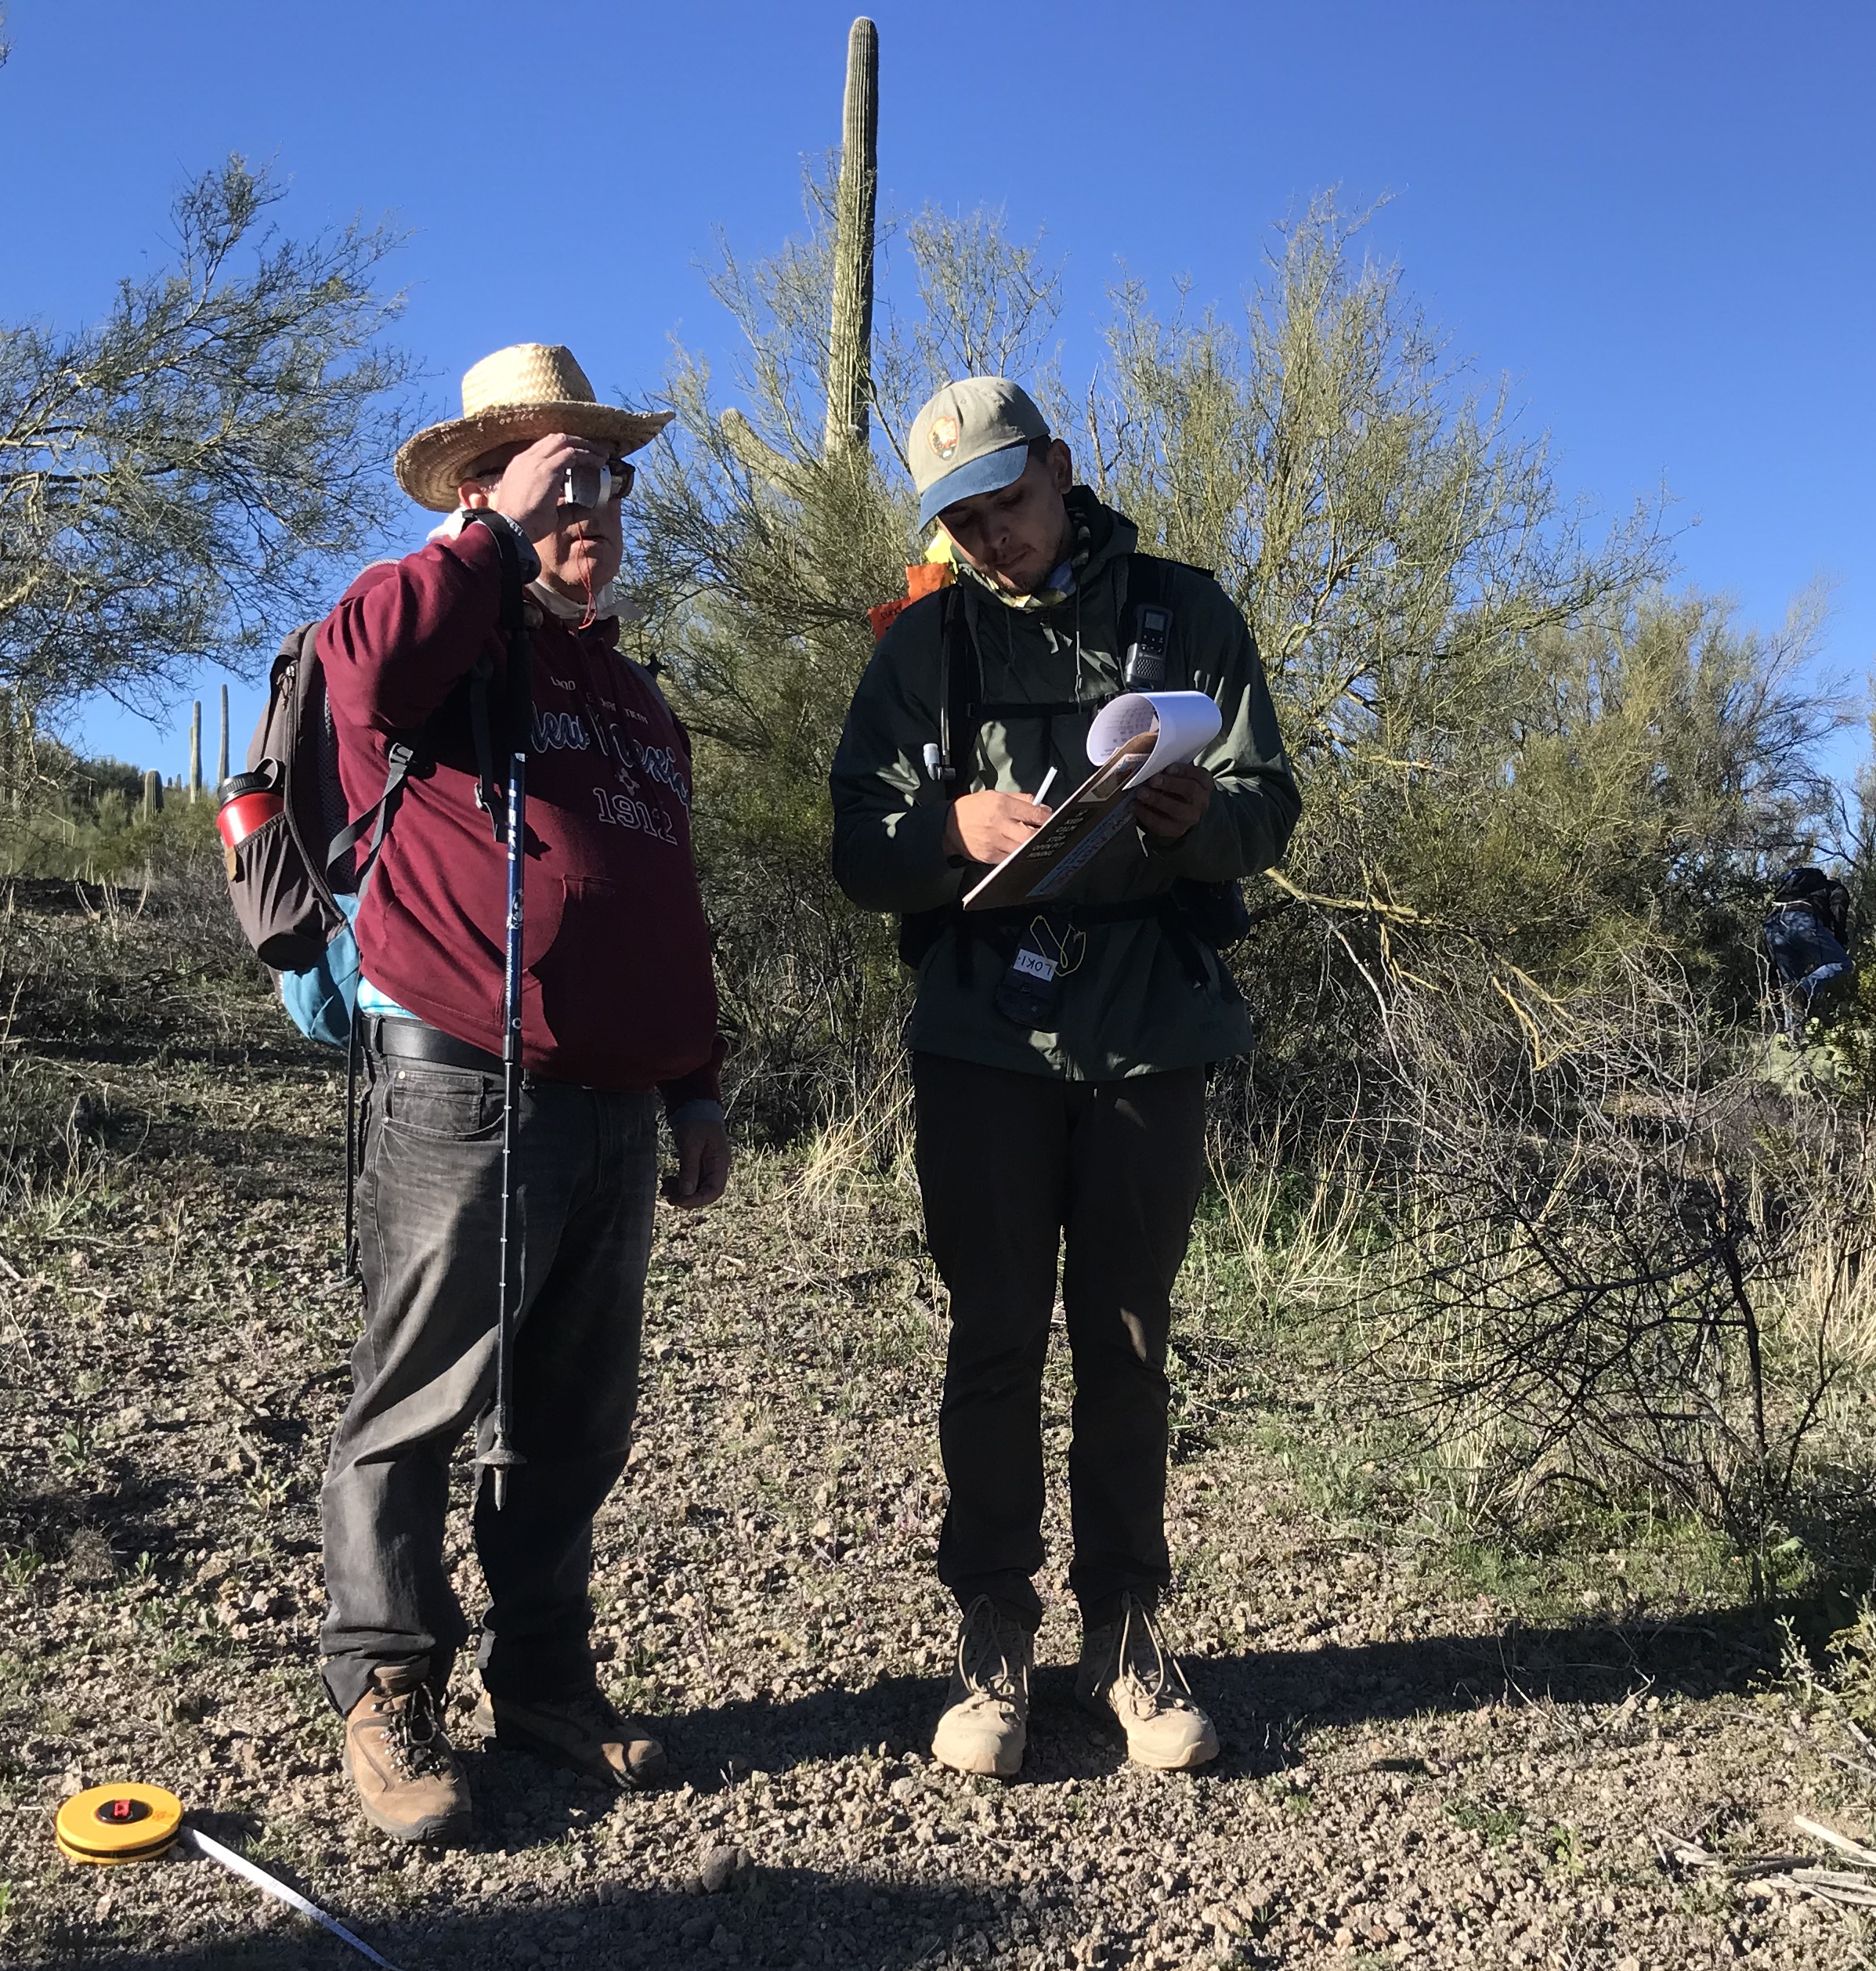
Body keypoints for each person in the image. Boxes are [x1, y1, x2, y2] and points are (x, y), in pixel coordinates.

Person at [828, 378, 1299, 1779]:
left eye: (1006, 504)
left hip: (1152, 1030)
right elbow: (857, 847)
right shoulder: (920, 649)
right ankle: (993, 1632)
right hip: (983, 1042)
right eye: (960, 521)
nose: (989, 538)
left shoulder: (1190, 614)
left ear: (1064, 469)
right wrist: (947, 828)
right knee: (993, 1337)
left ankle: (1126, 1632)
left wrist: (1205, 815)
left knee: (1130, 1341)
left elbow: (1273, 805)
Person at [310, 343, 732, 1846]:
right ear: (480, 493)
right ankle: (387, 1686)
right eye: (558, 478)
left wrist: (695, 1082)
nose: (591, 505)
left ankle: (544, 1675)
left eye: (605, 479)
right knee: (416, 1401)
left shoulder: (625, 688)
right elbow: (351, 670)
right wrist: (485, 540)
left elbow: (658, 895)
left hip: (618, 1105)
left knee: (573, 1418)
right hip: (460, 1087)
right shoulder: (434, 637)